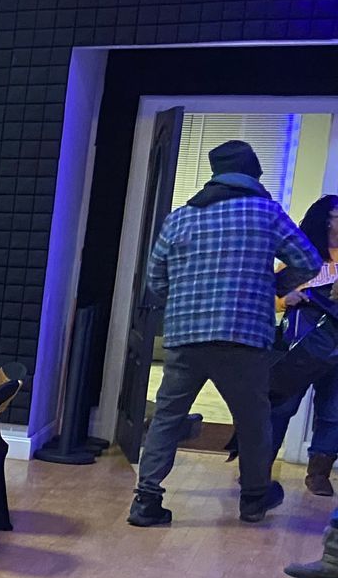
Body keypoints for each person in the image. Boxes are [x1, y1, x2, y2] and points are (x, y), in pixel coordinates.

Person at [129, 139, 320, 527]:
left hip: (185, 335)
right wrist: (275, 287)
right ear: (252, 174)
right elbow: (309, 261)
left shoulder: (180, 218)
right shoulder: (266, 213)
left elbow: (155, 281)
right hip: (243, 336)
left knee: (167, 417)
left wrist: (184, 303)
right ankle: (253, 501)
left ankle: (146, 501)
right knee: (253, 419)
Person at [268, 194, 338, 496]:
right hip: (300, 346)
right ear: (324, 221)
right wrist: (286, 300)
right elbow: (268, 294)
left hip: (335, 347)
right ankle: (258, 468)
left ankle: (319, 473)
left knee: (334, 410)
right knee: (282, 405)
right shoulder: (303, 259)